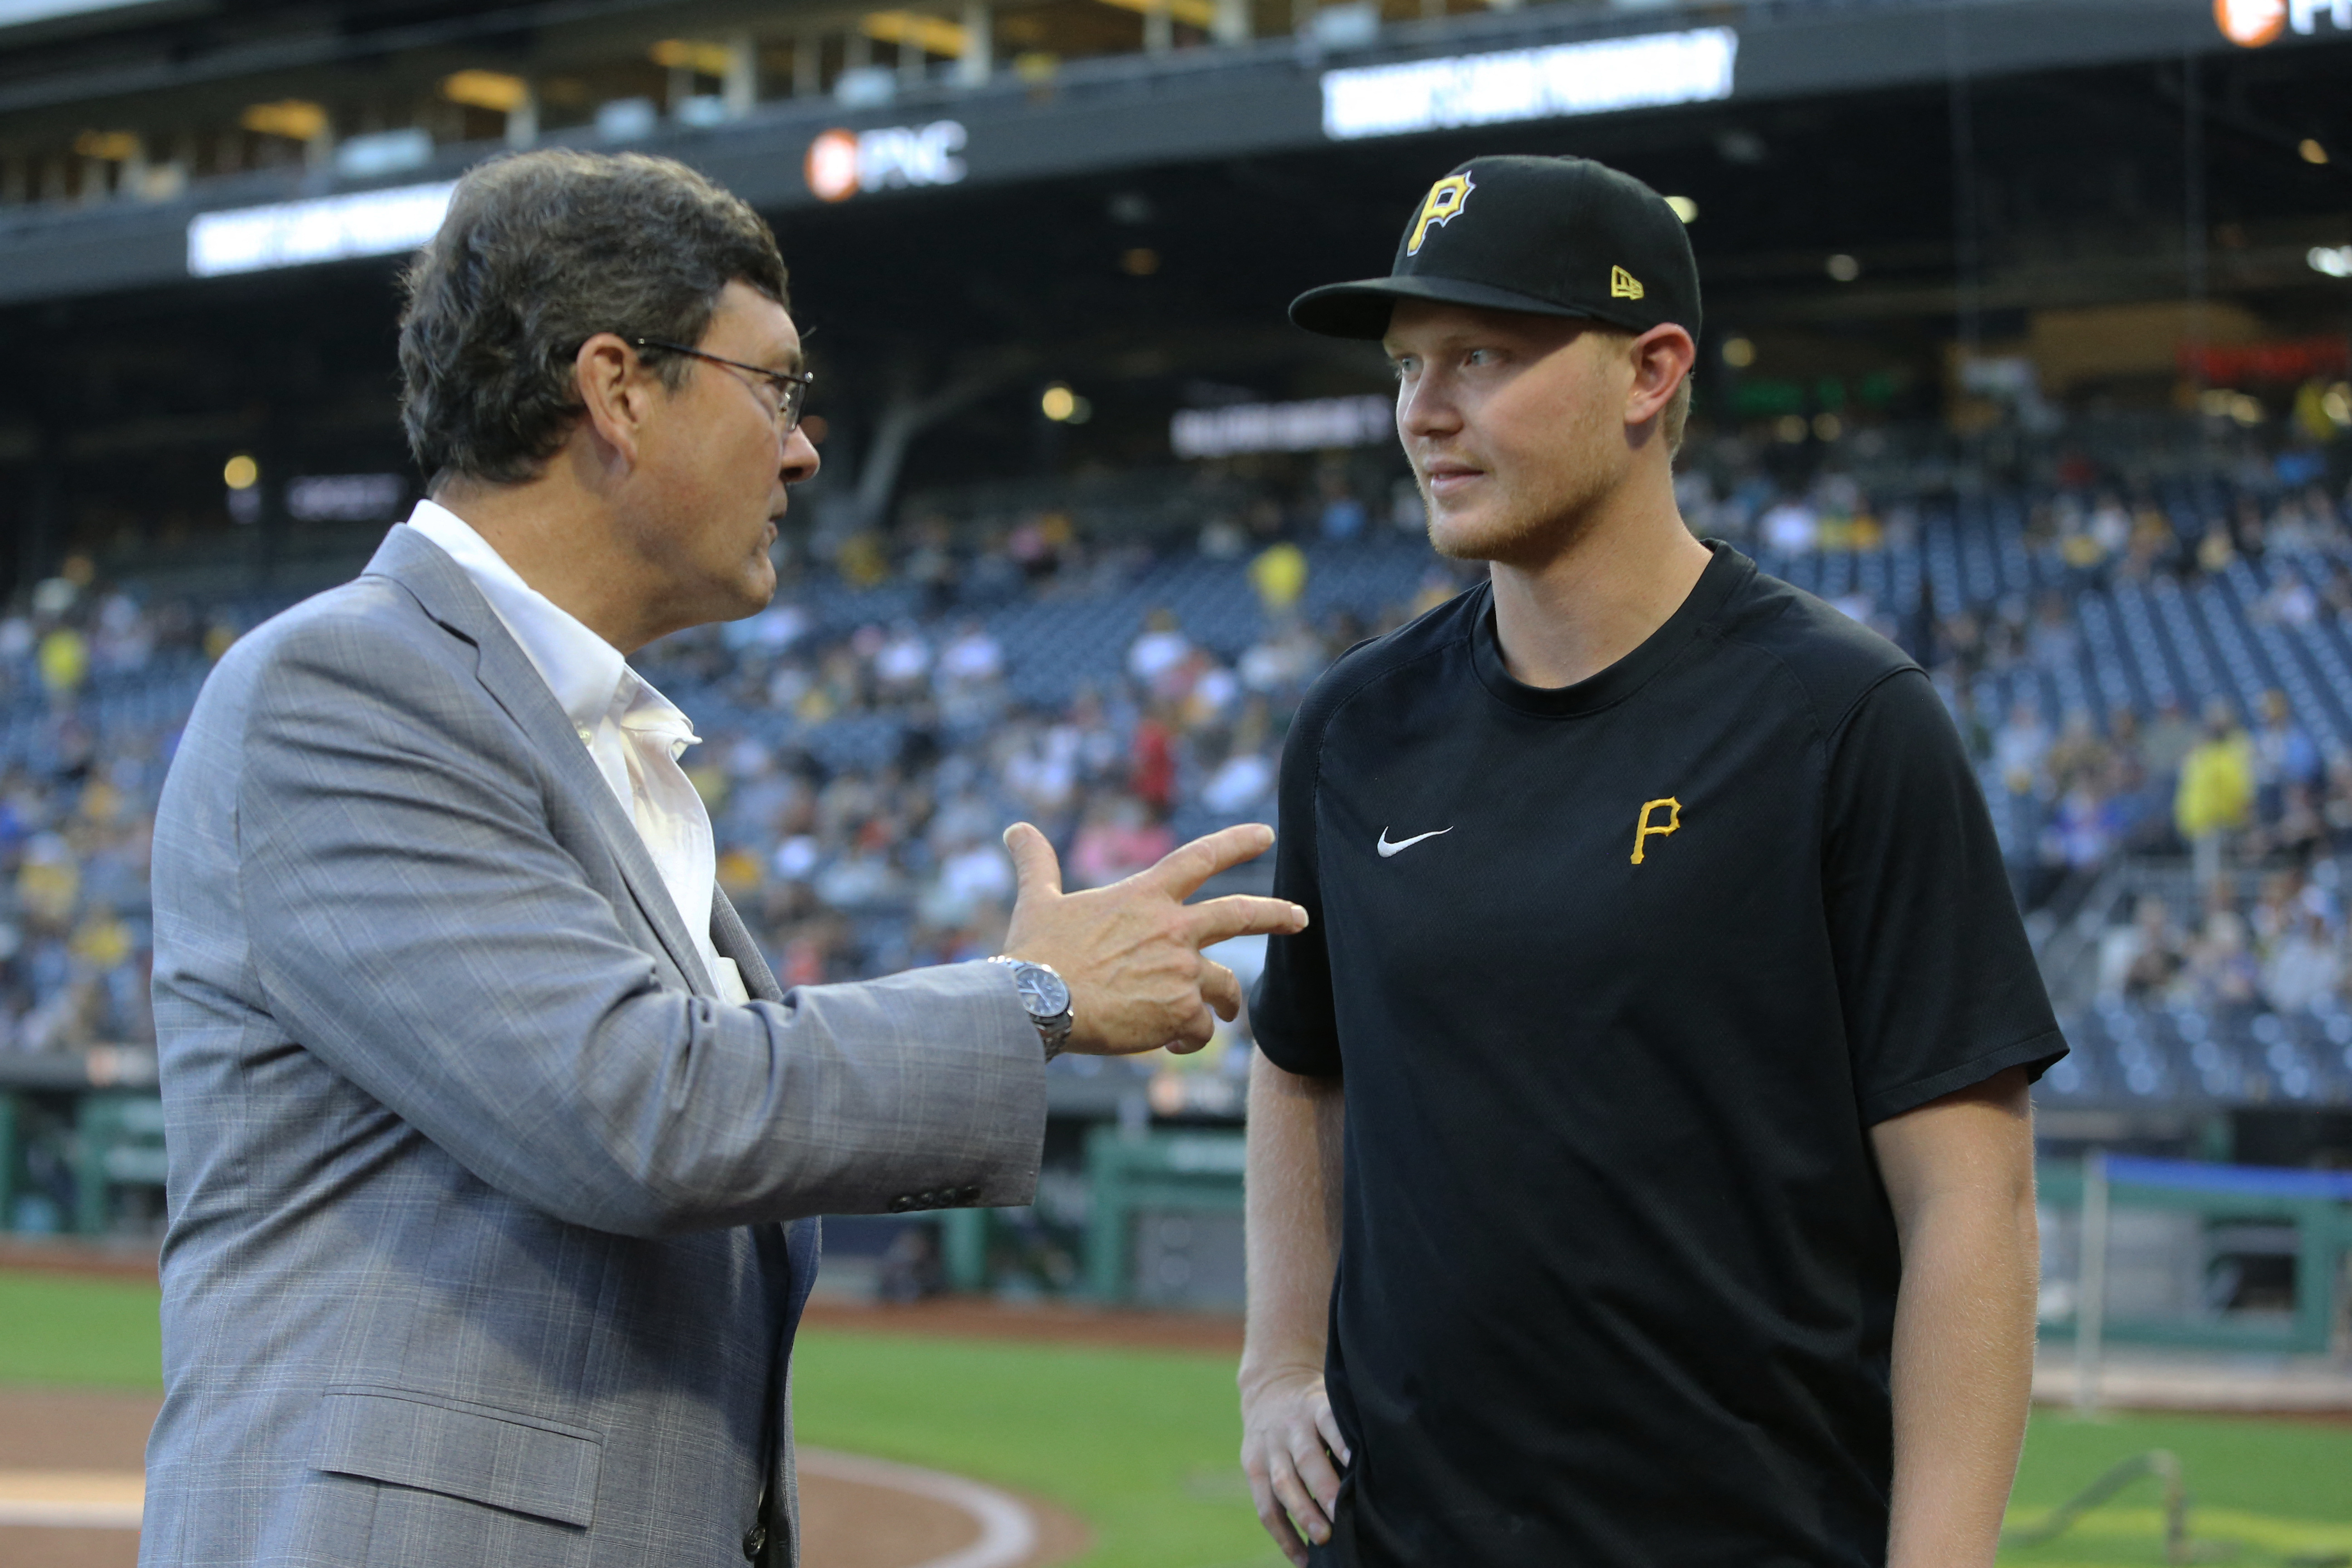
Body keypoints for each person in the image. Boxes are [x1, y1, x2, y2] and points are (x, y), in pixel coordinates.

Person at [142, 149, 1306, 1568]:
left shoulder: (598, 735)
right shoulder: (345, 688)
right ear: (619, 390)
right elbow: (637, 1107)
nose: (805, 447)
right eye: (775, 387)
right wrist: (1031, 1001)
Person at [1237, 155, 2065, 1568]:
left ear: (1650, 374)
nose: (1423, 412)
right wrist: (1277, 1365)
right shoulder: (1354, 723)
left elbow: (1970, 1199)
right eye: (1409, 365)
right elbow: (1298, 1061)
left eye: (1483, 356)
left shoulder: (1843, 719)